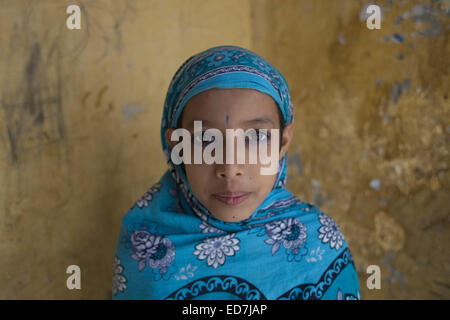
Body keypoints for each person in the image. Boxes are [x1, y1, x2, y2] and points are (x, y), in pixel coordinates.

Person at [112, 45, 361, 300]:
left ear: (282, 142)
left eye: (255, 136)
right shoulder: (145, 242)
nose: (230, 169)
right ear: (177, 146)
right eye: (205, 139)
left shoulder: (319, 244)